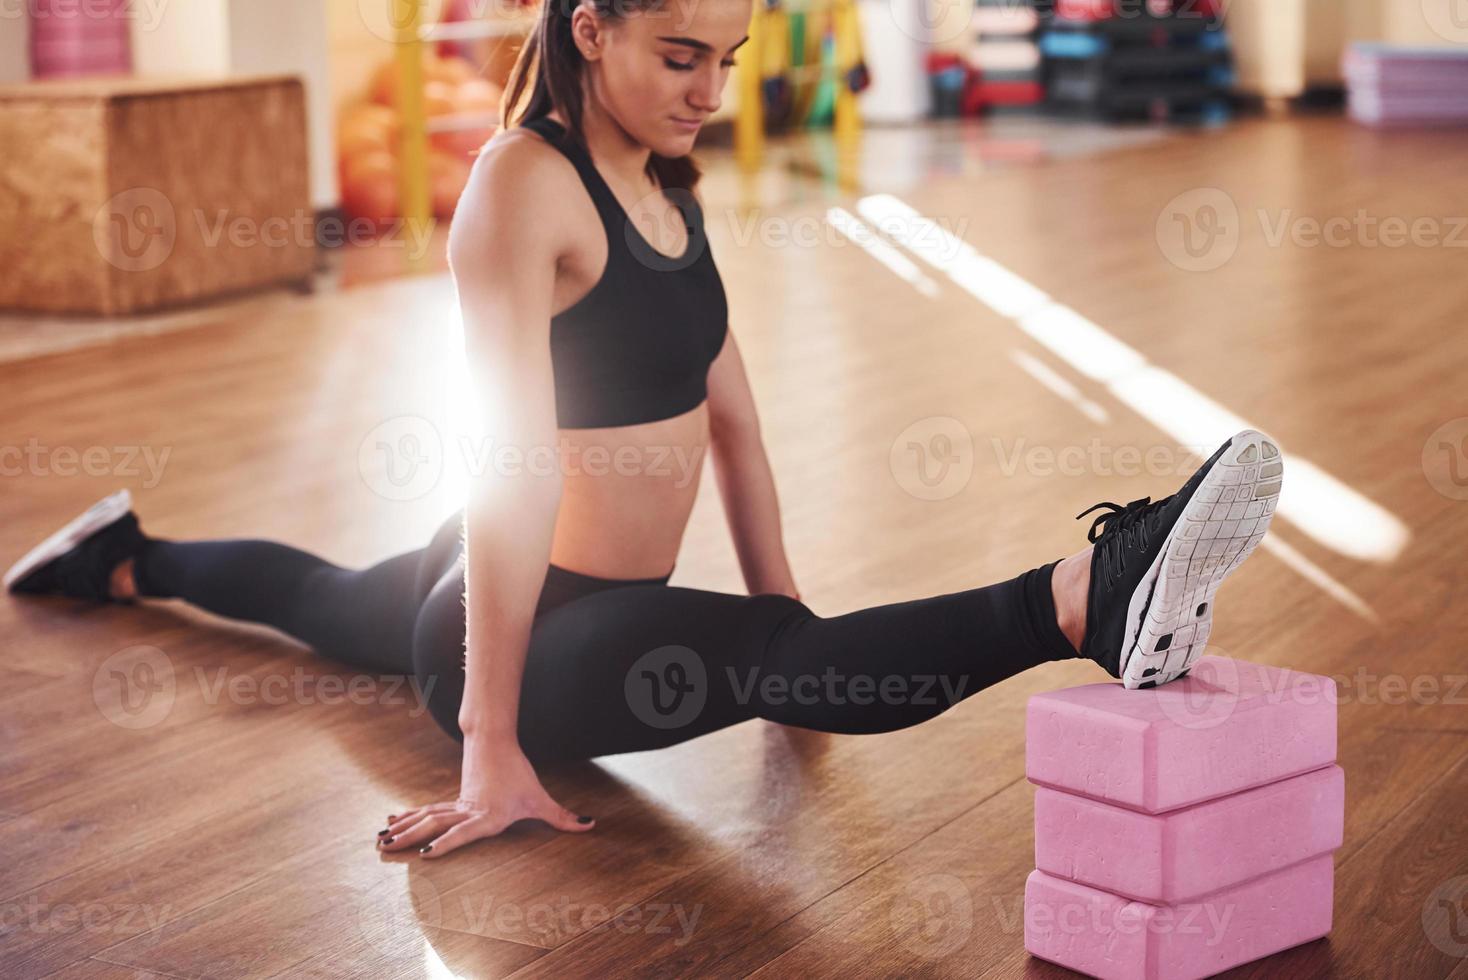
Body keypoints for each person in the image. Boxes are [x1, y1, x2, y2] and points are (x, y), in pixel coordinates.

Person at [3, 0, 1284, 860]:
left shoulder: (661, 178)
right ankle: (1083, 595)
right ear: (591, 28)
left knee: (334, 599)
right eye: (682, 57)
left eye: (727, 57)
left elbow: (734, 420)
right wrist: (490, 747)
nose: (711, 90)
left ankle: (126, 553)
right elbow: (505, 464)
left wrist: (790, 610)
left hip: (524, 580)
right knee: (402, 623)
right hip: (533, 617)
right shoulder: (522, 187)